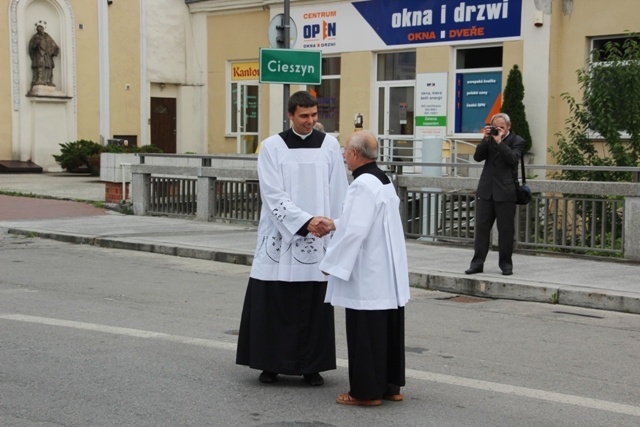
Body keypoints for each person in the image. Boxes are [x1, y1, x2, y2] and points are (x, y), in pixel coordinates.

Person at [235, 91, 348, 386]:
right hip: (280, 235)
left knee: (313, 303)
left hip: (320, 235)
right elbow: (272, 193)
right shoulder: (272, 147)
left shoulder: (329, 146)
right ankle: (269, 364)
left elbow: (338, 190)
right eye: (304, 116)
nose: (310, 121)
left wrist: (333, 225)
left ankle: (312, 367)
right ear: (290, 115)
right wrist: (305, 222)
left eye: (314, 115)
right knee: (274, 301)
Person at [318, 130, 410, 406]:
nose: (344, 154)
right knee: (386, 330)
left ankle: (365, 392)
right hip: (386, 270)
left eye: (346, 149)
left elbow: (356, 231)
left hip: (368, 272)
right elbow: (363, 220)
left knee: (366, 333)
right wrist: (334, 223)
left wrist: (331, 264)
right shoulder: (383, 180)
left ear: (355, 154)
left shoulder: (361, 185)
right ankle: (389, 386)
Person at [465, 113, 526, 276]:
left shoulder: (517, 141)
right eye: (495, 127)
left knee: (506, 231)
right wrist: (486, 139)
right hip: (486, 191)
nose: (498, 130)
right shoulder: (489, 139)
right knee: (482, 229)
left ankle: (506, 264)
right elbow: (478, 157)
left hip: (506, 192)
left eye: (501, 127)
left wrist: (499, 141)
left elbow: (513, 160)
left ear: (509, 126)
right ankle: (477, 263)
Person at [29, 23, 60, 87]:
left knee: (48, 67)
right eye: (40, 30)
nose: (41, 31)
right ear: (37, 30)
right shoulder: (35, 37)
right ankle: (39, 80)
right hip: (39, 54)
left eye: (42, 29)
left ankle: (48, 81)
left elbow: (53, 44)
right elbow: (32, 47)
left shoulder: (47, 36)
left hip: (47, 55)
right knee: (40, 66)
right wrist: (36, 43)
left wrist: (54, 51)